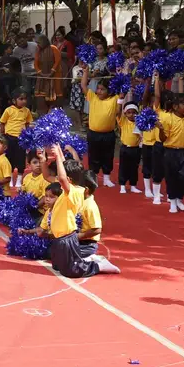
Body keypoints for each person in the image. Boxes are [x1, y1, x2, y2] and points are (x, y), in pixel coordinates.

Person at [47, 147, 120, 278]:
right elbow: (66, 172)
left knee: (72, 271)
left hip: (66, 237)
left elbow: (63, 178)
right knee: (58, 266)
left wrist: (57, 156)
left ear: (68, 179)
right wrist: (58, 148)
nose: (58, 177)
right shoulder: (70, 188)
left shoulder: (74, 192)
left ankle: (98, 265)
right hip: (58, 237)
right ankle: (85, 260)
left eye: (60, 175)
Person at [153, 73, 184, 212]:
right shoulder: (168, 119)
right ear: (175, 106)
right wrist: (160, 130)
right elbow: (163, 139)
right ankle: (172, 200)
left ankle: (179, 199)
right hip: (170, 151)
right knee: (171, 176)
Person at [82, 65, 118, 187]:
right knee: (93, 156)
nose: (99, 91)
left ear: (110, 91)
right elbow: (83, 86)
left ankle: (107, 178)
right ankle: (94, 177)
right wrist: (86, 72)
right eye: (98, 89)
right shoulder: (93, 97)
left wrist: (119, 74)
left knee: (108, 156)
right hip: (93, 133)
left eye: (103, 89)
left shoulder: (114, 99)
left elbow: (122, 90)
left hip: (108, 134)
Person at [117, 104, 142, 194]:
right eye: (129, 113)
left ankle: (133, 185)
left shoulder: (139, 123)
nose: (131, 114)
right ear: (125, 114)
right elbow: (118, 112)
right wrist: (120, 100)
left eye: (134, 112)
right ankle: (122, 185)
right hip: (125, 148)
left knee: (134, 168)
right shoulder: (123, 121)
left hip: (136, 149)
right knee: (123, 167)